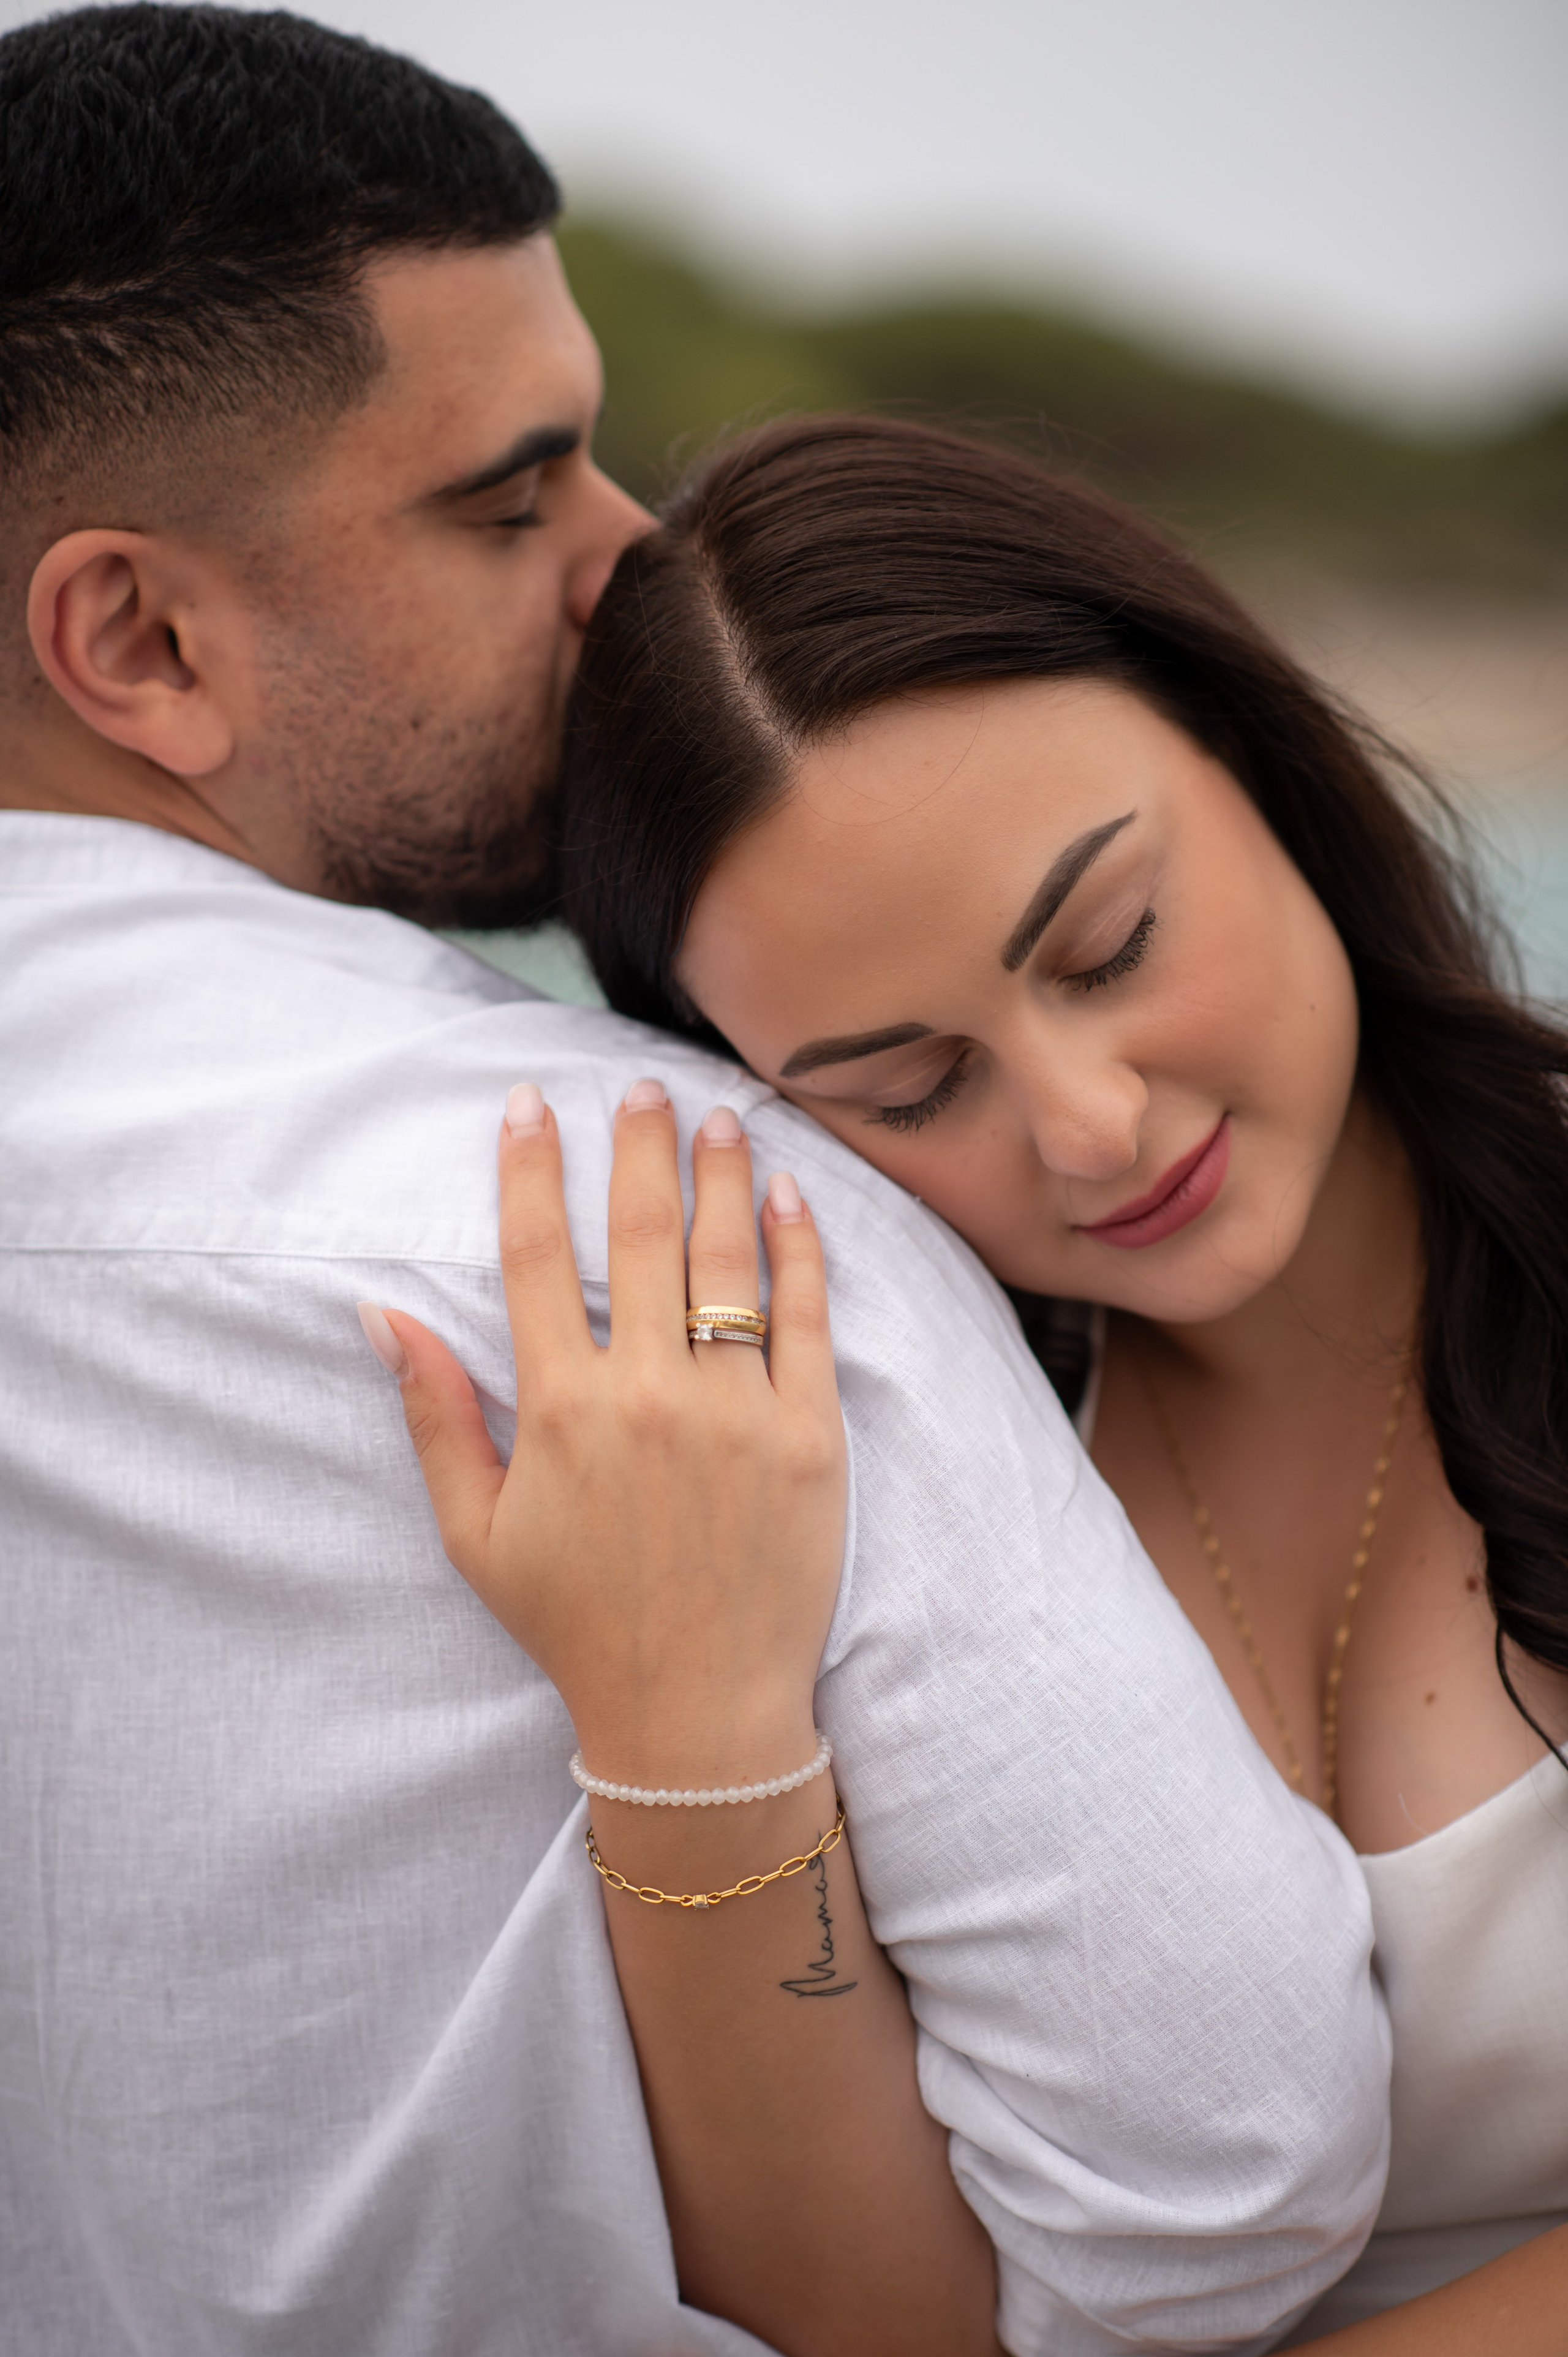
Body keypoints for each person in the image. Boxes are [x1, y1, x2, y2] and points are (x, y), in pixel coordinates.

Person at [0, 12, 1389, 2356]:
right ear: (139, 638)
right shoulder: (658, 1228)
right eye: (510, 491)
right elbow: (1220, 2181)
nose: (630, 555)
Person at [426, 410, 1566, 2344]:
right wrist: (690, 1724)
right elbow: (856, 2308)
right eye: (906, 1090)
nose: (1092, 1128)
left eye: (1113, 945)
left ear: (1255, 755)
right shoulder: (895, 1479)